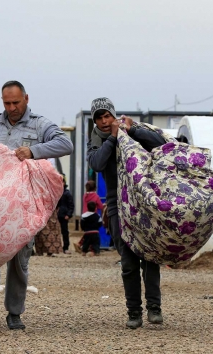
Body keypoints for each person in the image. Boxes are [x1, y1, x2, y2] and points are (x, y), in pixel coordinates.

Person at [0, 80, 73, 333]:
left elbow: (65, 144)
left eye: (16, 102)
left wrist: (34, 150)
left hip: (23, 207)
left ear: (26, 98)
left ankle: (14, 313)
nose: (12, 107)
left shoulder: (40, 124)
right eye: (7, 103)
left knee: (19, 261)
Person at [87, 97, 165, 329]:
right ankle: (134, 312)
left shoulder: (131, 131)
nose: (104, 121)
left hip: (143, 205)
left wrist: (132, 130)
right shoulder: (96, 140)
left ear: (114, 115)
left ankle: (154, 308)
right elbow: (98, 163)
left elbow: (160, 143)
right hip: (117, 207)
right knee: (128, 263)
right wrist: (112, 137)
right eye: (99, 118)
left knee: (150, 258)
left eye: (107, 116)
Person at [56, 178, 74, 254]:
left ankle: (65, 247)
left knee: (65, 231)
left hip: (64, 215)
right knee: (56, 232)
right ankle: (57, 247)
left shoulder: (67, 193)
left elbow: (71, 205)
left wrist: (68, 214)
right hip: (57, 215)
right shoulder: (56, 192)